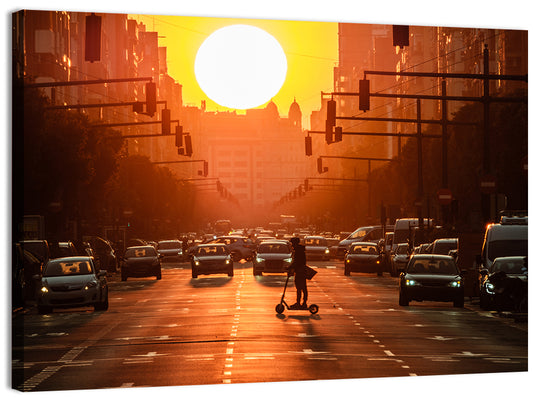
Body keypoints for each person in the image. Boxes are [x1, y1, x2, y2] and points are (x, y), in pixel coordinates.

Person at [289, 237, 308, 309]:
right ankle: (302, 303)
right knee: (302, 288)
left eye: (292, 243)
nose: (292, 245)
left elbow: (297, 262)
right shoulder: (300, 250)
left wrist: (290, 267)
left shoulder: (298, 251)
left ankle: (300, 303)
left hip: (300, 272)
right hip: (300, 271)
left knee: (300, 288)